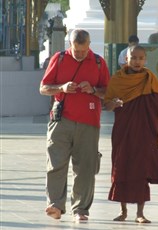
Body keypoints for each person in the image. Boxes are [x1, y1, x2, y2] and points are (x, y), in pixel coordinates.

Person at [39, 29, 110, 221]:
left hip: (89, 122)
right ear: (70, 45)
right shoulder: (59, 58)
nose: (79, 54)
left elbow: (108, 92)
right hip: (61, 120)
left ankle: (80, 210)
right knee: (55, 164)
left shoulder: (98, 62)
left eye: (83, 51)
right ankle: (55, 204)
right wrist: (61, 88)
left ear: (89, 46)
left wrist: (94, 90)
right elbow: (43, 88)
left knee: (85, 168)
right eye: (76, 50)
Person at [104, 45, 158, 223]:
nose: (137, 61)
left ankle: (140, 213)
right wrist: (115, 103)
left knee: (142, 169)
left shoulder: (149, 78)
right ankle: (123, 210)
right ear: (126, 59)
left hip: (144, 130)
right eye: (133, 58)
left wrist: (153, 108)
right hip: (123, 130)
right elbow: (107, 105)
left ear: (145, 60)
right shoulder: (118, 79)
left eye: (141, 58)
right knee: (121, 166)